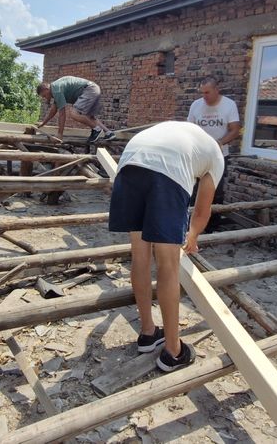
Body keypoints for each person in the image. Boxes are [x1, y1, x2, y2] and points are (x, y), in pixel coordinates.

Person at [108, 121, 224, 372]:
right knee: (168, 264)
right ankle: (173, 351)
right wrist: (191, 236)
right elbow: (203, 210)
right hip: (166, 171)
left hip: (129, 163)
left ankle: (148, 333)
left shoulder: (182, 133)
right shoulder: (216, 156)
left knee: (140, 256)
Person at [187, 76, 241, 206]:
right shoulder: (196, 105)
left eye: (207, 92)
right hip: (198, 155)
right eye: (202, 92)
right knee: (193, 189)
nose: (204, 96)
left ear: (217, 90)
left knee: (214, 190)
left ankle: (213, 223)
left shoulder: (229, 105)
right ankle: (191, 221)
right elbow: (189, 128)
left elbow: (235, 130)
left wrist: (220, 143)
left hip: (218, 155)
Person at [36, 76, 115, 142]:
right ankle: (108, 133)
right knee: (90, 117)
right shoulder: (56, 88)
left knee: (73, 113)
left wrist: (60, 134)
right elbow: (53, 111)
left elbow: (62, 114)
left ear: (46, 89)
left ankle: (96, 129)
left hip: (89, 90)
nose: (45, 98)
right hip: (94, 89)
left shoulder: (56, 90)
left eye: (44, 96)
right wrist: (43, 123)